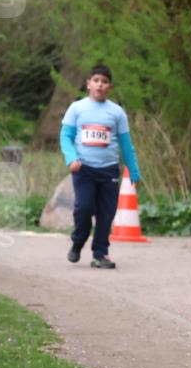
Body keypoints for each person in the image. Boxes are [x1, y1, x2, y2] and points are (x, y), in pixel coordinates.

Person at [60, 64, 142, 269]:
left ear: (110, 87)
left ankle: (100, 254)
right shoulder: (76, 108)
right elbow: (66, 137)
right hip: (84, 169)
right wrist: (71, 158)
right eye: (96, 81)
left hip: (109, 170)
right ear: (88, 83)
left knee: (106, 214)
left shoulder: (117, 112)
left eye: (104, 82)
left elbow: (126, 144)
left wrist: (133, 170)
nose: (99, 85)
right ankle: (78, 241)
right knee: (84, 208)